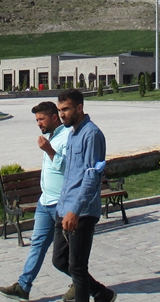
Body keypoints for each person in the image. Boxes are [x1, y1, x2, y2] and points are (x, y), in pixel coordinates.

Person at [0, 101, 72, 301]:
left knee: (68, 252)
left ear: (54, 117)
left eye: (41, 119)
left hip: (61, 205)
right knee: (37, 244)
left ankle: (83, 283)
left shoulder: (68, 137)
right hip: (45, 202)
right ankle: (23, 286)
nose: (39, 124)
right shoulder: (51, 136)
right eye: (37, 120)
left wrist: (49, 150)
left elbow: (69, 169)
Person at [52, 89, 116, 302]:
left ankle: (97, 295)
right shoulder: (72, 134)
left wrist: (75, 210)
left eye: (66, 109)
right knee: (60, 260)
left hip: (82, 212)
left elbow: (91, 177)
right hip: (64, 208)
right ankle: (101, 293)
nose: (62, 114)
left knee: (77, 267)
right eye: (60, 110)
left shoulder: (92, 134)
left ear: (79, 107)